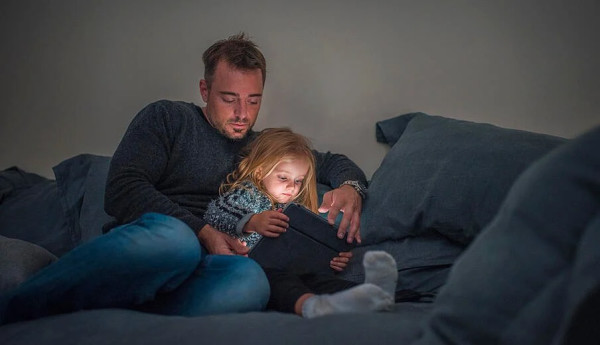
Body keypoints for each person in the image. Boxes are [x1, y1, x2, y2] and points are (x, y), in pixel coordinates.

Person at [0, 33, 369, 324]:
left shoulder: (263, 149)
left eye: (253, 100)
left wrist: (351, 188)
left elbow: (332, 161)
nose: (242, 114)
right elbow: (122, 189)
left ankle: (121, 313)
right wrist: (202, 232)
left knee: (252, 282)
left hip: (213, 267)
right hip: (163, 243)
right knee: (176, 241)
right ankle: (18, 305)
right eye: (229, 99)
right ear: (205, 91)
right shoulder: (168, 118)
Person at [204, 127, 397, 317]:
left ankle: (379, 295)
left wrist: (329, 259)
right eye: (283, 177)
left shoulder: (295, 209)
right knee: (280, 282)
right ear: (260, 172)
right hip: (255, 269)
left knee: (319, 280)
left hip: (294, 269)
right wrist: (252, 221)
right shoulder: (248, 194)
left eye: (298, 181)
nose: (292, 186)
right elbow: (216, 212)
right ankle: (309, 306)